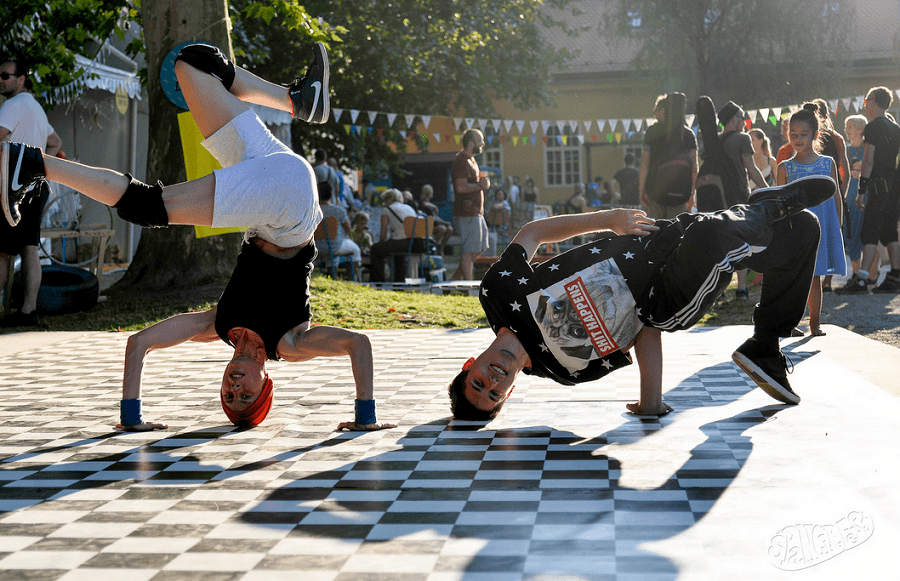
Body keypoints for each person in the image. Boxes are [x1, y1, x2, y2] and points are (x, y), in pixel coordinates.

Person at [1, 42, 396, 433]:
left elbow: (138, 344)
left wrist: (131, 415)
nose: (235, 388)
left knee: (192, 62)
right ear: (266, 384)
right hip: (289, 212)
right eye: (246, 396)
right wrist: (365, 416)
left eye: (228, 397)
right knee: (144, 206)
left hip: (271, 173)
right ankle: (32, 164)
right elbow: (358, 344)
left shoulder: (217, 324)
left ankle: (298, 101)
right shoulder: (290, 343)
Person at [446, 176, 837, 420]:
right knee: (709, 235)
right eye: (494, 395)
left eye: (477, 383)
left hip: (654, 240)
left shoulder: (497, 294)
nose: (491, 383)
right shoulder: (566, 369)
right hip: (666, 299)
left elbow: (532, 233)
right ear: (510, 392)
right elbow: (640, 331)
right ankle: (763, 208)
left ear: (470, 364)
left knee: (804, 229)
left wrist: (608, 218)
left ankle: (765, 345)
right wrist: (651, 402)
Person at [0, 59, 63, 327]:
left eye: (5, 75)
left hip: (10, 187)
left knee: (2, 251)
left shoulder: (12, 106)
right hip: (35, 187)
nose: (0, 80)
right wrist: (39, 168)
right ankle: (29, 311)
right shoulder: (36, 108)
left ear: (21, 78)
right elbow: (56, 142)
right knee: (29, 248)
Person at [775, 105, 843, 337]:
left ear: (814, 134)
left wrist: (838, 225)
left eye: (803, 134)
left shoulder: (827, 164)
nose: (797, 138)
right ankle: (790, 322)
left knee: (815, 276)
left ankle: (815, 324)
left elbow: (835, 196)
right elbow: (779, 202)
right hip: (794, 230)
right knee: (794, 277)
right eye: (793, 134)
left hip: (821, 228)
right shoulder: (785, 167)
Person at [835, 86, 900, 294]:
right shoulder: (895, 127)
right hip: (894, 186)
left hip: (879, 185)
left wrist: (862, 190)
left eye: (867, 100)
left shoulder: (873, 128)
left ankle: (862, 279)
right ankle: (895, 276)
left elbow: (868, 160)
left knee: (869, 231)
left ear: (875, 102)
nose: (865, 104)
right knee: (890, 231)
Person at [718, 100, 768, 300]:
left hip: (717, 195)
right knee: (743, 240)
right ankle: (741, 289)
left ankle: (719, 290)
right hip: (738, 193)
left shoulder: (715, 140)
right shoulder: (742, 138)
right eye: (741, 117)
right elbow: (751, 168)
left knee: (721, 242)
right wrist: (767, 189)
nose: (744, 122)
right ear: (733, 119)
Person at [639, 93, 698, 219]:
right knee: (676, 231)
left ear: (664, 111)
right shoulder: (688, 134)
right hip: (680, 193)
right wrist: (692, 193)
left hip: (655, 192)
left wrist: (642, 189)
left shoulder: (652, 132)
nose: (654, 114)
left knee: (654, 231)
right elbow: (694, 167)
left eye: (656, 110)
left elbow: (645, 162)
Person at [450, 128, 491, 280]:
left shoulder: (472, 160)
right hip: (466, 213)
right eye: (480, 140)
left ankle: (455, 279)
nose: (483, 143)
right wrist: (481, 186)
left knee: (481, 247)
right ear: (471, 143)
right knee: (469, 251)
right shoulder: (462, 161)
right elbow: (460, 187)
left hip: (475, 213)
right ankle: (468, 286)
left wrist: (481, 182)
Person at [839, 115, 872, 286]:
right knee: (849, 235)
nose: (847, 129)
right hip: (846, 197)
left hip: (862, 196)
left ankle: (860, 274)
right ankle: (855, 273)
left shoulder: (868, 148)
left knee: (860, 234)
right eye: (846, 125)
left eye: (851, 126)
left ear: (860, 128)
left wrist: (864, 171)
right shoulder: (844, 148)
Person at [369, 188, 419, 282]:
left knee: (375, 249)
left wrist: (381, 242)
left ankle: (379, 281)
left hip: (400, 243)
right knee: (398, 254)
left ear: (391, 199)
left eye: (385, 200)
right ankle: (399, 282)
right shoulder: (409, 208)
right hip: (414, 243)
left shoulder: (387, 209)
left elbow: (383, 233)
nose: (384, 203)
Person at [316, 181, 361, 279]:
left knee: (331, 252)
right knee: (355, 249)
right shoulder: (338, 210)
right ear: (331, 194)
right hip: (334, 246)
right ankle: (352, 279)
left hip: (316, 247)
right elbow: (348, 229)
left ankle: (332, 277)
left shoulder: (313, 211)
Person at [417, 184, 452, 256]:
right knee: (442, 229)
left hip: (434, 224)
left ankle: (441, 249)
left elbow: (435, 217)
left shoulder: (430, 204)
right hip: (426, 226)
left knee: (449, 229)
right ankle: (431, 247)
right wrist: (434, 206)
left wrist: (444, 222)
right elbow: (423, 204)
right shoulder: (421, 202)